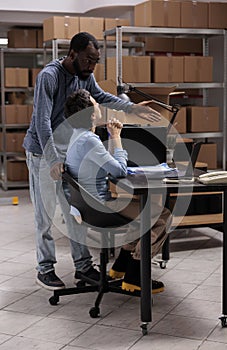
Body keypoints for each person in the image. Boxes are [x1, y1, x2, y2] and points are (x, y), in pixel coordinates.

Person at [23, 32, 161, 291]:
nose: (92, 66)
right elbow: (42, 123)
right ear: (72, 54)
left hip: (65, 150)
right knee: (45, 213)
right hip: (42, 152)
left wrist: (131, 108)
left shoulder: (85, 76)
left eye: (96, 61)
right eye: (88, 60)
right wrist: (53, 159)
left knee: (71, 210)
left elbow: (102, 96)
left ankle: (83, 265)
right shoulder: (49, 77)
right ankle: (45, 269)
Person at [64, 89, 172, 294]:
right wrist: (116, 136)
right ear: (91, 113)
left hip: (87, 206)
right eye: (96, 103)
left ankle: (120, 267)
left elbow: (109, 166)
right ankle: (136, 277)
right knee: (161, 215)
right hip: (100, 208)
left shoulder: (77, 136)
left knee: (142, 213)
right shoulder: (89, 140)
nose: (99, 106)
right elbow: (119, 170)